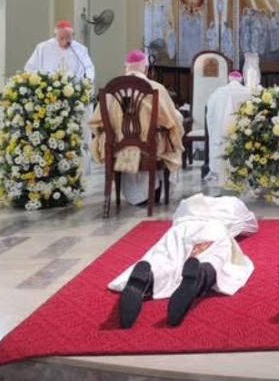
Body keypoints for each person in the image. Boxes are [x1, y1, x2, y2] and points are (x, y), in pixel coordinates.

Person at [108, 194, 258, 328]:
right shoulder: (232, 203)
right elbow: (251, 226)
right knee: (215, 258)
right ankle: (201, 274)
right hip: (214, 227)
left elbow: (175, 220)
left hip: (182, 228)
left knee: (165, 258)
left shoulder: (188, 202)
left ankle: (148, 277)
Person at [89, 51, 184, 206]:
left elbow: (96, 121)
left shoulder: (111, 88)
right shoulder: (156, 88)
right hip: (149, 148)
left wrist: (116, 133)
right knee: (168, 139)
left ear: (126, 68)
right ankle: (155, 192)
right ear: (146, 68)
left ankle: (135, 194)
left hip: (117, 148)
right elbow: (170, 119)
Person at [204, 71, 252, 190]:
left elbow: (210, 113)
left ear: (228, 79)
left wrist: (215, 129)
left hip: (220, 134)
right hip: (242, 134)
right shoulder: (248, 92)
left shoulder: (218, 93)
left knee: (220, 146)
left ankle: (221, 175)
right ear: (241, 79)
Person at [24, 20, 95, 83]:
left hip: (73, 92)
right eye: (61, 38)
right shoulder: (43, 48)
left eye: (68, 38)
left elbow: (88, 67)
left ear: (73, 36)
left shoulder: (80, 50)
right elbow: (30, 68)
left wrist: (88, 79)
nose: (65, 42)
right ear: (56, 36)